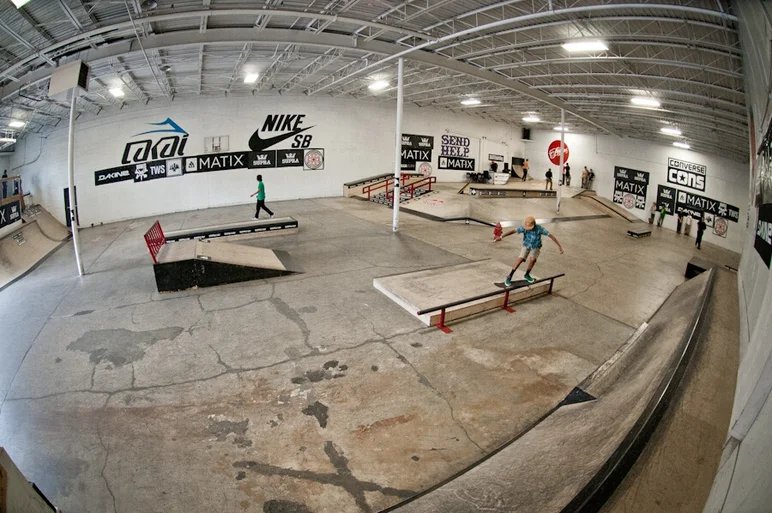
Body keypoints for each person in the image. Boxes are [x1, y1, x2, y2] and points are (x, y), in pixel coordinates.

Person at [494, 215, 564, 285]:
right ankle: (509, 276)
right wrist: (501, 236)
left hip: (536, 246)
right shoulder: (523, 228)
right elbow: (513, 231)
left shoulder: (540, 229)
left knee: (533, 259)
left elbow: (550, 235)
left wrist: (559, 246)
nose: (528, 229)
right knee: (520, 259)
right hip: (526, 245)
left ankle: (527, 274)